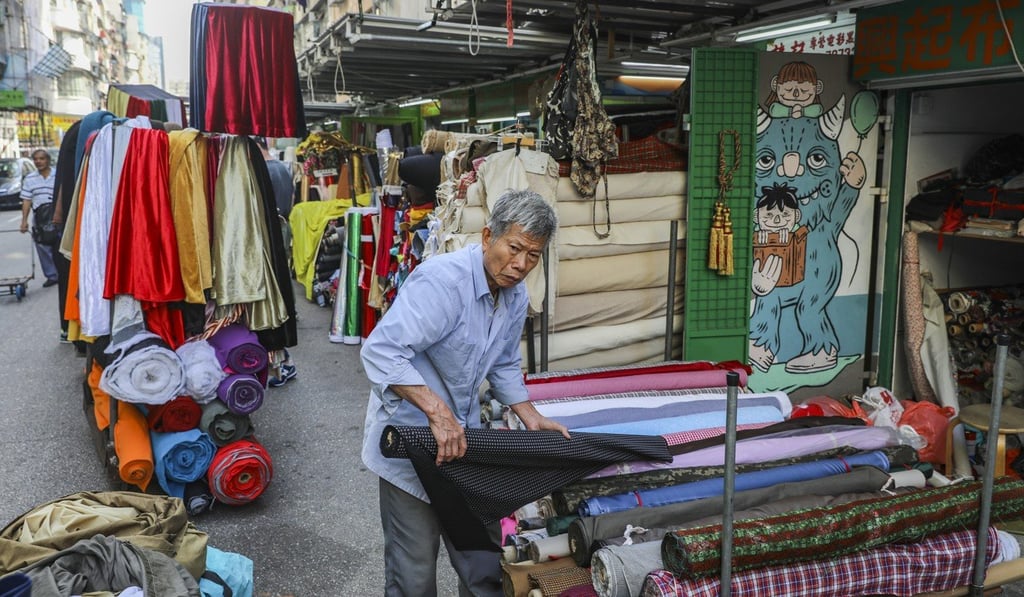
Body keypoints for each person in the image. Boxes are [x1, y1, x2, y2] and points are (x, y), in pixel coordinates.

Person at [360, 189, 569, 597]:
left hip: (462, 441)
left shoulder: (514, 295)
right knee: (414, 571)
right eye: (515, 248)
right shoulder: (443, 282)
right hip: (412, 443)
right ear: (488, 235)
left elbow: (506, 362)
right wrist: (437, 413)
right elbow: (381, 352)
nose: (521, 264)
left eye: (533, 256)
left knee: (482, 561)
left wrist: (530, 415)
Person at [255, 136, 298, 387]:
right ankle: (288, 308)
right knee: (283, 275)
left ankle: (280, 361)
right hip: (285, 225)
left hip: (271, 229)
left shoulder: (262, 171)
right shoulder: (283, 168)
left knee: (273, 280)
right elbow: (292, 199)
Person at [19, 149, 59, 292]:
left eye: (41, 159)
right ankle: (52, 276)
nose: (38, 162)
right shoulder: (30, 179)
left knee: (59, 245)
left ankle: (64, 273)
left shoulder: (58, 174)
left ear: (48, 160)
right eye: (36, 159)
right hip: (40, 216)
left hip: (57, 214)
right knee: (42, 246)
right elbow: (26, 200)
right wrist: (24, 221)